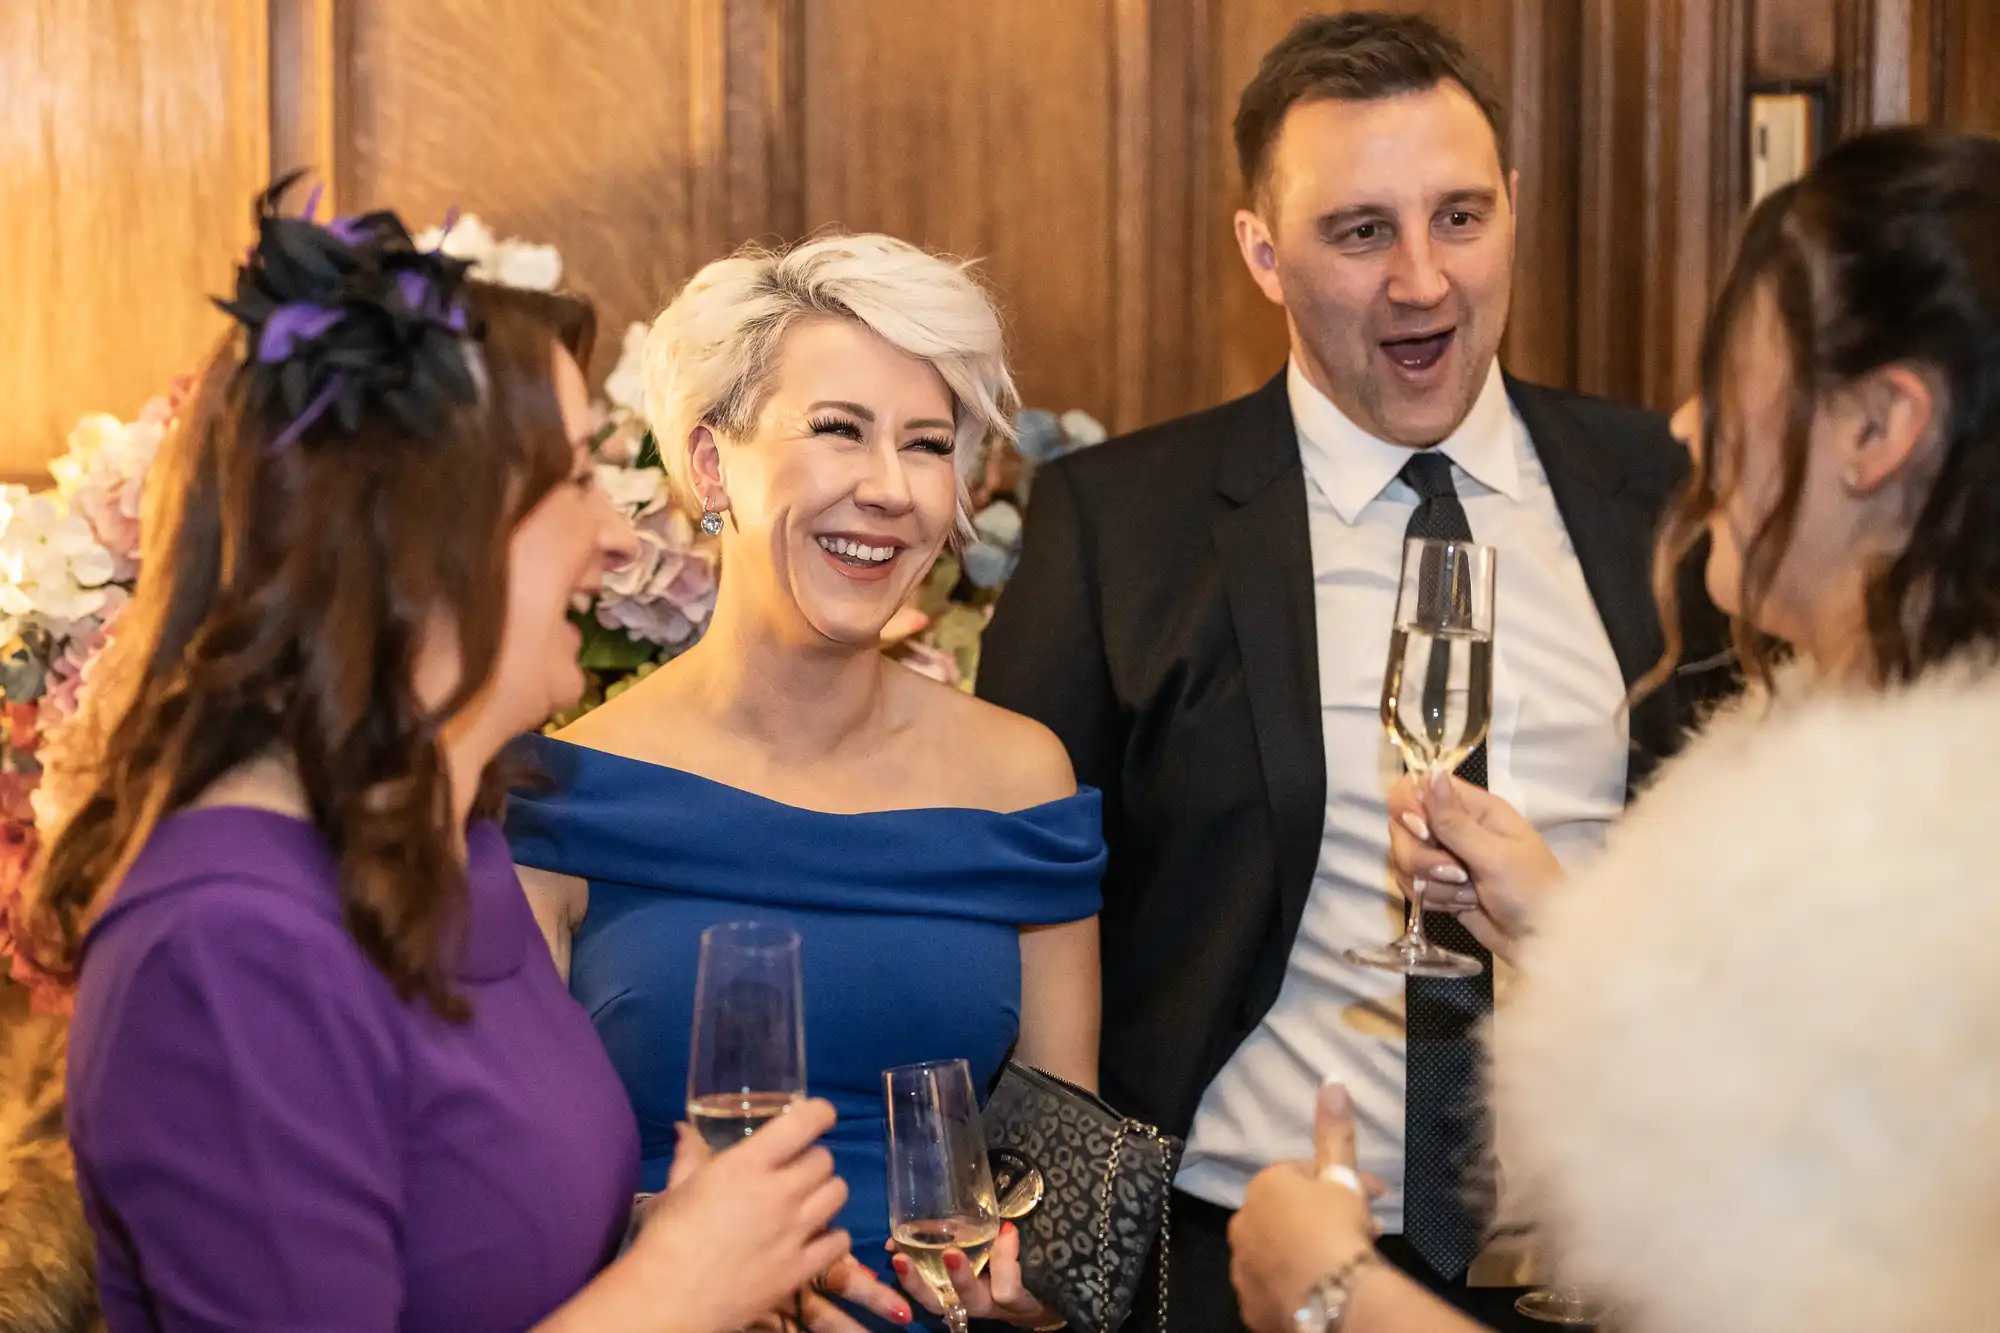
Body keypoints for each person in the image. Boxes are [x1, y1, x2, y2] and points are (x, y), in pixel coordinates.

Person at [976, 12, 1727, 1331]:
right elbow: (1021, 898)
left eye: (1460, 216)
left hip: (1623, 1271)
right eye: (1361, 230)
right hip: (1235, 1268)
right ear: (1261, 251)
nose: (1423, 280)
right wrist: (1052, 1245)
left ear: (1515, 208)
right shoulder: (1117, 525)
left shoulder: (1664, 498)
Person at [32, 184, 862, 1333]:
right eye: (574, 478)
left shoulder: (453, 847)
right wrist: (670, 1295)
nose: (621, 533)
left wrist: (667, 1249)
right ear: (426, 541)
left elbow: (465, 1235)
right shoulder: (226, 943)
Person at [1229, 123, 2000, 1333]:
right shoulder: (1841, 790)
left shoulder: (1933, 858)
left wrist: (1328, 1295)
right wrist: (1561, 923)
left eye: (1737, 369)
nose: (1686, 429)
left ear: (1877, 427)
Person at [504, 232, 1105, 1332]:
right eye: (838, 430)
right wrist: (666, 1258)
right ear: (706, 462)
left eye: (927, 445)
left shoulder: (1021, 776)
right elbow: (503, 1188)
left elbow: (1069, 1191)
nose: (888, 489)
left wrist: (1036, 1283)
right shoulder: (561, 792)